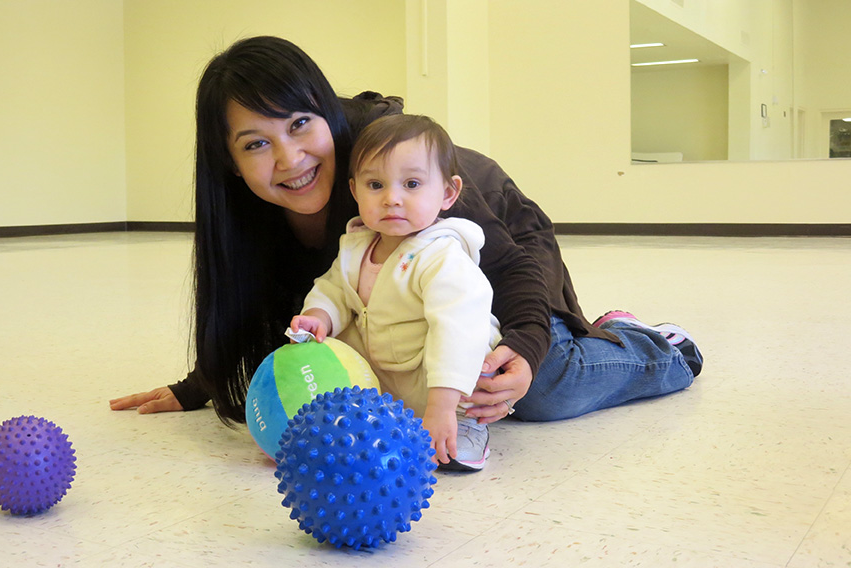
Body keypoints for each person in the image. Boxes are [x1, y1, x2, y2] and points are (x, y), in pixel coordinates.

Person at [110, 35, 702, 434]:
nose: (289, 158)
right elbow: (269, 309)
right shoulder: (253, 210)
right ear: (229, 164)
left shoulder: (397, 171)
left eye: (299, 124)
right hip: (405, 294)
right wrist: (201, 385)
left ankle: (652, 345)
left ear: (327, 114)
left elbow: (514, 266)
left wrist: (525, 346)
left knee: (537, 389)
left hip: (501, 248)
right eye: (256, 143)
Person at [289, 114, 501, 471]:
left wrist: (442, 406)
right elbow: (333, 289)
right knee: (336, 345)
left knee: (472, 361)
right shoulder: (356, 247)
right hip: (388, 368)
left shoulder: (441, 256)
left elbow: (459, 328)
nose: (392, 199)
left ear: (448, 193)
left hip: (446, 375)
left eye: (412, 184)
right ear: (355, 191)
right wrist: (319, 317)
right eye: (376, 185)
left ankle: (463, 424)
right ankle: (381, 416)